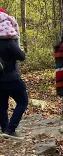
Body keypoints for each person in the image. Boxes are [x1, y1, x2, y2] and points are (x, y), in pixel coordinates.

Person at [0, 8, 28, 140]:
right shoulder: (9, 42)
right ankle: (10, 129)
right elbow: (22, 56)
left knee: (1, 105)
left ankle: (5, 128)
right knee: (23, 101)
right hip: (11, 77)